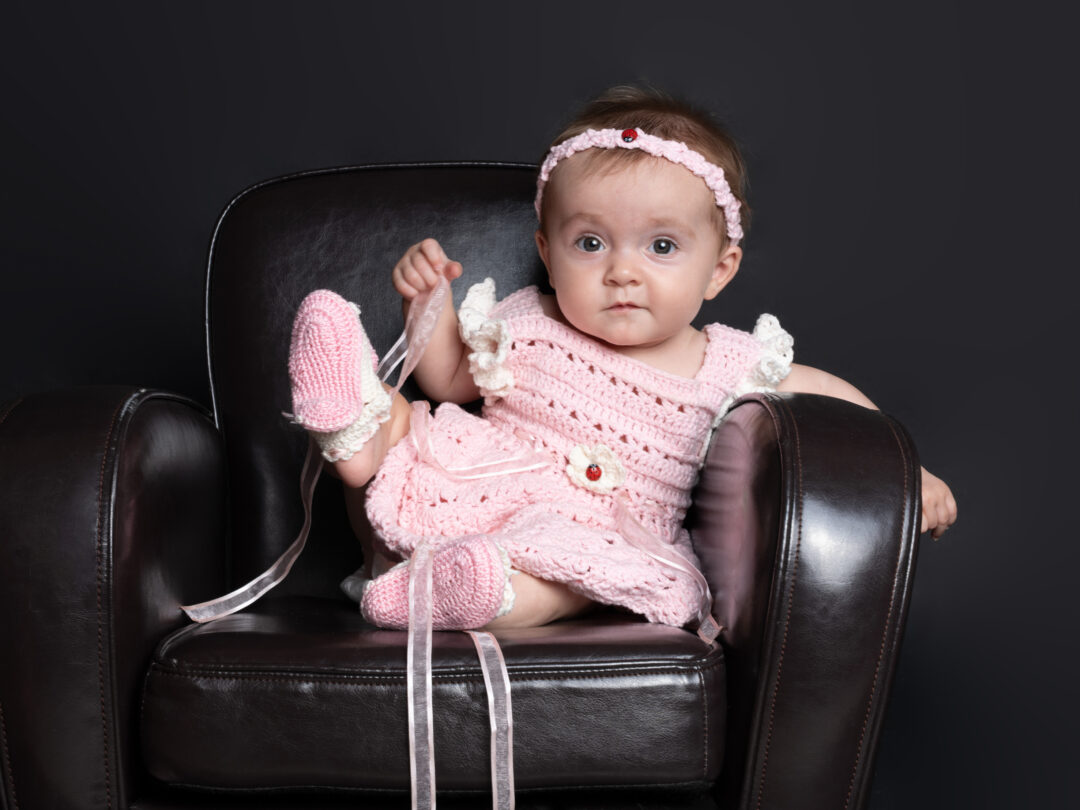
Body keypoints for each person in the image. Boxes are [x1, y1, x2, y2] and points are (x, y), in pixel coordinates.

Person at [286, 86, 957, 634]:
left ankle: (454, 594)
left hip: (599, 532)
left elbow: (825, 392)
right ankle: (358, 424)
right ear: (548, 252)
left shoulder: (724, 362)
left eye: (661, 247)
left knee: (559, 585)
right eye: (590, 243)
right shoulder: (527, 316)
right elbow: (450, 380)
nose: (622, 273)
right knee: (418, 424)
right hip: (483, 482)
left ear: (718, 270)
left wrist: (902, 471)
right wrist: (428, 303)